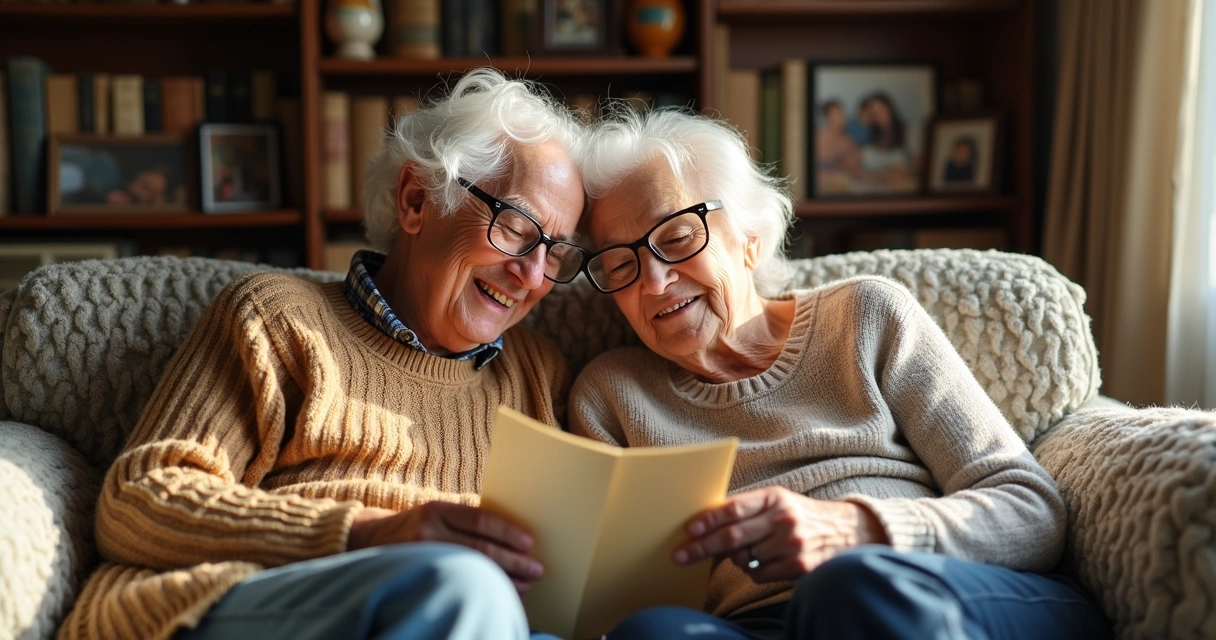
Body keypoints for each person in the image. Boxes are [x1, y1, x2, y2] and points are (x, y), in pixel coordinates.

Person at [59, 68, 589, 640]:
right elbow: (139, 500)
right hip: (239, 607)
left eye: (556, 253)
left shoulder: (537, 373)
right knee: (462, 585)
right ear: (416, 201)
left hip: (472, 621)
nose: (532, 274)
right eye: (517, 227)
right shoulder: (277, 318)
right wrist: (364, 532)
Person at [568, 107, 1112, 640]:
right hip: (758, 623)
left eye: (679, 239)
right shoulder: (611, 396)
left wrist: (855, 531)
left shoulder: (865, 317)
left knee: (849, 588)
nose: (655, 282)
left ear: (750, 239)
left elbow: (1032, 509)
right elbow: (611, 590)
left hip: (928, 586)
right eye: (620, 264)